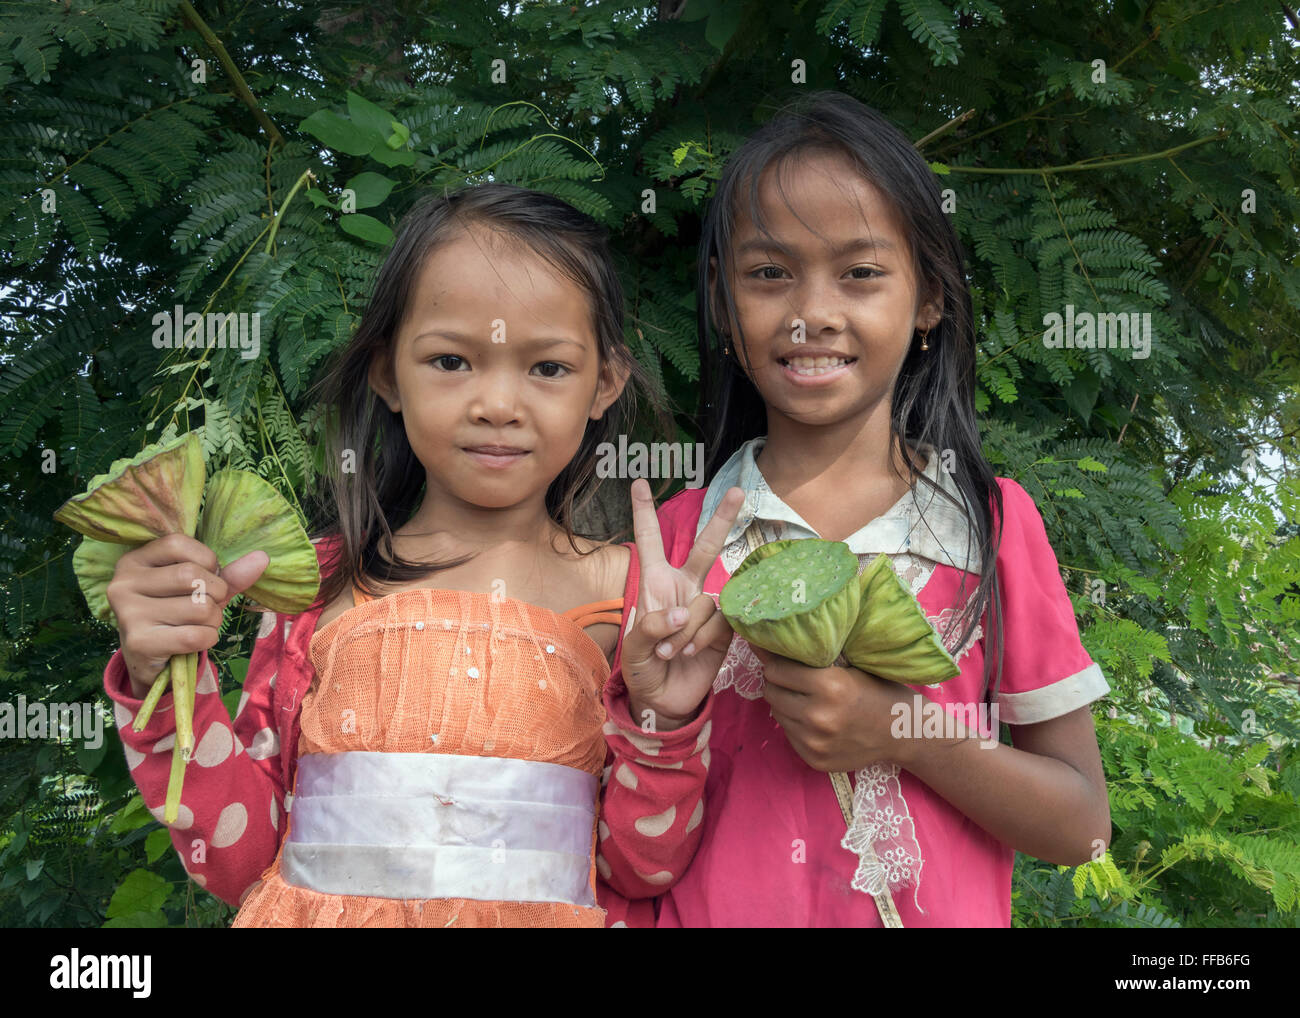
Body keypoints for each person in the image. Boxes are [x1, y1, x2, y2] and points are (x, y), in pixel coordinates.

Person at [101, 182, 742, 927]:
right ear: (385, 372)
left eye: (547, 369)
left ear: (604, 384)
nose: (497, 403)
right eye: (450, 360)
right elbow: (243, 860)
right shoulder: (321, 587)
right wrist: (163, 673)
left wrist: (664, 719)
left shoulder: (637, 603)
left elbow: (641, 869)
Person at [600, 91, 1113, 927]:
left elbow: (1085, 830)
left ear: (930, 300)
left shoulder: (992, 526)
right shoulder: (677, 546)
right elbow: (630, 861)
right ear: (726, 308)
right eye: (769, 273)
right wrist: (666, 713)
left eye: (861, 273)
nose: (813, 313)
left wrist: (911, 733)